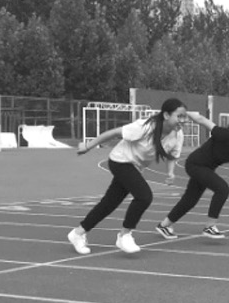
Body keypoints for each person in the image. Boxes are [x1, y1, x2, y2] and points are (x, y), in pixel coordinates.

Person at [66, 98, 187, 255]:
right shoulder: (146, 127)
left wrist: (170, 172)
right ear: (166, 115)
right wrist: (88, 146)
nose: (183, 120)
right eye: (179, 116)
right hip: (120, 161)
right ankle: (124, 235)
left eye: (184, 117)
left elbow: (172, 155)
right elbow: (114, 133)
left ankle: (78, 233)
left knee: (109, 203)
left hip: (135, 167)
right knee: (144, 196)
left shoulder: (178, 135)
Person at [155, 111, 229, 239]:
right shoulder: (224, 134)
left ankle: (164, 225)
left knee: (190, 200)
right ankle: (210, 227)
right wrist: (182, 112)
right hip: (195, 164)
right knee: (222, 189)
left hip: (206, 169)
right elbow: (202, 120)